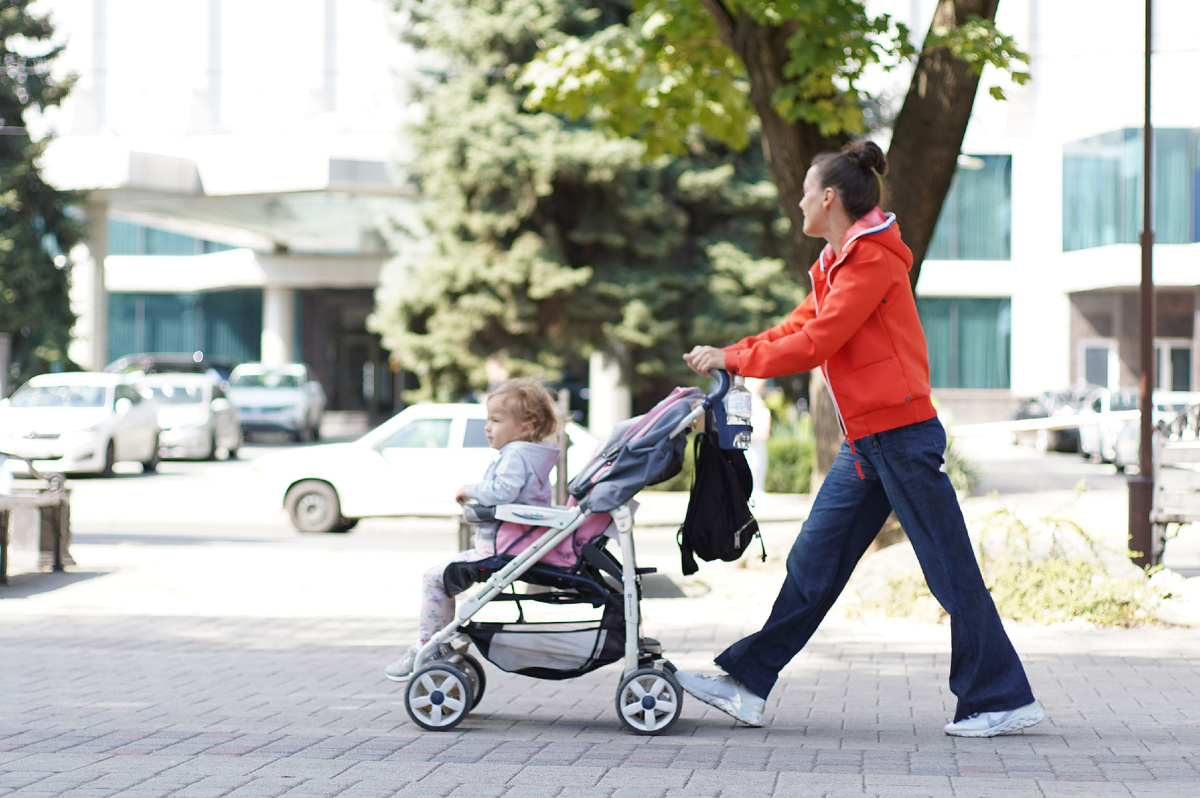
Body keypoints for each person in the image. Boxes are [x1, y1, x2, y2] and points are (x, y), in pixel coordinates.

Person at [678, 140, 1043, 738]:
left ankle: (1001, 698)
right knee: (813, 563)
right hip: (866, 443)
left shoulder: (871, 261)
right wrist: (735, 356)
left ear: (828, 198)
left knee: (950, 572)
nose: (797, 202)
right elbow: (797, 326)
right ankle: (747, 684)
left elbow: (817, 343)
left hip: (901, 436)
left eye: (803, 193)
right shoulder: (835, 262)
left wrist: (734, 357)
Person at [384, 377, 561, 682]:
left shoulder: (517, 455)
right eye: (487, 420)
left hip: (503, 549)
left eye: (496, 420)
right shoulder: (532, 455)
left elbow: (503, 491)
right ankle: (438, 642)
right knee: (443, 577)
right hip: (518, 545)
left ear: (525, 427)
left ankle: (427, 646)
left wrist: (471, 489)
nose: (488, 427)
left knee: (433, 578)